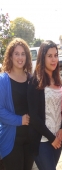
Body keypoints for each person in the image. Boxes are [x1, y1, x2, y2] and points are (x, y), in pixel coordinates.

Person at [27, 40, 62, 170]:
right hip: (42, 140)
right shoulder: (35, 81)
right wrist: (51, 138)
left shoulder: (59, 82)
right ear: (42, 57)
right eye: (49, 56)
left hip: (58, 140)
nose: (54, 59)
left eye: (56, 55)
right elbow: (34, 116)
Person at [0, 38, 34, 170]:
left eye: (23, 54)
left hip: (30, 140)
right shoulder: (3, 80)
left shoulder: (31, 79)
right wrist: (19, 120)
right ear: (10, 56)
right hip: (11, 141)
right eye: (16, 53)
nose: (20, 57)